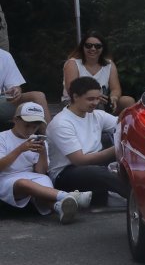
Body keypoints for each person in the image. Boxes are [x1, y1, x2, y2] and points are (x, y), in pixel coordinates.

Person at [0, 102, 91, 223]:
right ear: (15, 120)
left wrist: (42, 153)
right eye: (27, 125)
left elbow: (41, 172)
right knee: (23, 183)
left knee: (41, 184)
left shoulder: (38, 140)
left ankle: (59, 208)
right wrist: (20, 149)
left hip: (32, 176)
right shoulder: (2, 138)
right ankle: (71, 196)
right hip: (5, 177)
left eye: (35, 126)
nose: (30, 130)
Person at [46, 76, 129, 206]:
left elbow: (124, 126)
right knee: (98, 172)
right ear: (75, 97)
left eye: (98, 98)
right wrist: (118, 148)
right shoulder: (61, 123)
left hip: (94, 167)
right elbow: (80, 160)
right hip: (66, 174)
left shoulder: (97, 115)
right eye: (90, 99)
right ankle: (141, 199)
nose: (95, 103)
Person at [62, 33, 134, 114]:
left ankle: (123, 122)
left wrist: (114, 97)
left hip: (102, 103)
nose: (93, 49)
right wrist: (94, 97)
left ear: (103, 48)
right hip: (77, 102)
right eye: (88, 45)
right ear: (82, 47)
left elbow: (115, 89)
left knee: (128, 101)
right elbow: (72, 90)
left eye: (98, 46)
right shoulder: (72, 64)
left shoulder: (109, 64)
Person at [0, 45, 49, 130]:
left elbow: (14, 85)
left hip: (1, 102)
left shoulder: (4, 56)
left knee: (38, 96)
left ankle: (49, 136)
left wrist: (15, 90)